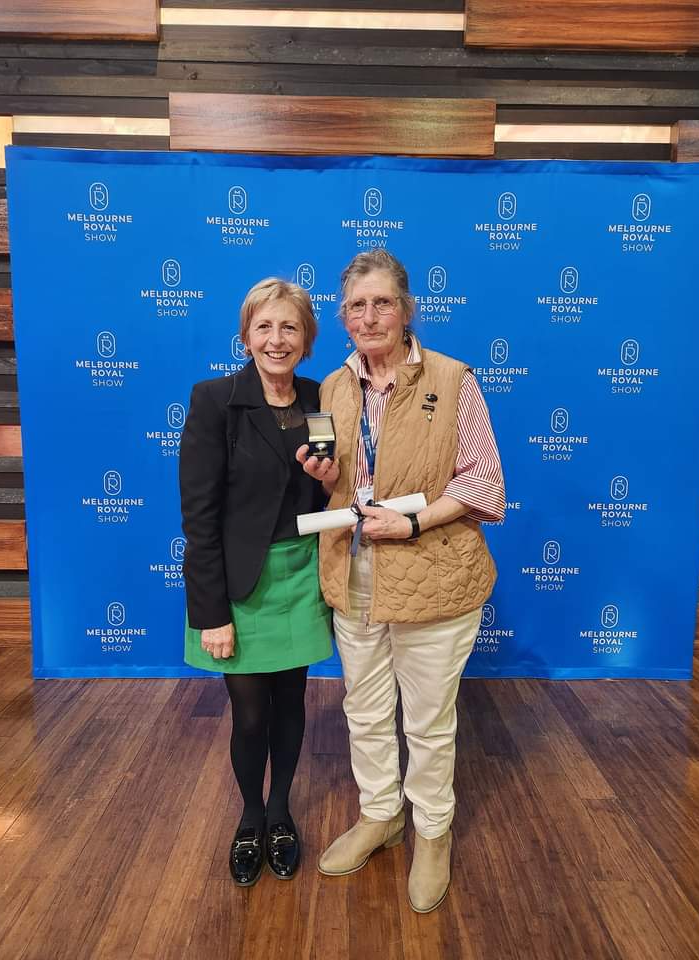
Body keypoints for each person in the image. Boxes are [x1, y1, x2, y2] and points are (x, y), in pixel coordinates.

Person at [298, 250, 505, 913]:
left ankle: (432, 833)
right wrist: (322, 476)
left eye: (383, 302)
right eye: (357, 306)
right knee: (363, 710)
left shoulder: (454, 379)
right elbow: (331, 468)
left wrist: (411, 526)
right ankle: (381, 815)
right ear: (343, 317)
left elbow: (483, 482)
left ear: (406, 309)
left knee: (427, 721)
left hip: (433, 576)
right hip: (354, 573)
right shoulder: (331, 388)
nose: (370, 316)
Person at [180, 278, 332, 887]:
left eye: (289, 327)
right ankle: (249, 816)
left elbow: (336, 492)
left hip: (300, 575)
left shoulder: (323, 399)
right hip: (239, 586)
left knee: (292, 704)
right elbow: (199, 516)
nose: (277, 339)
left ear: (307, 339)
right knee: (248, 717)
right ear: (246, 335)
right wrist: (209, 611)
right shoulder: (215, 400)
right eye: (265, 327)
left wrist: (330, 479)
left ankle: (280, 812)